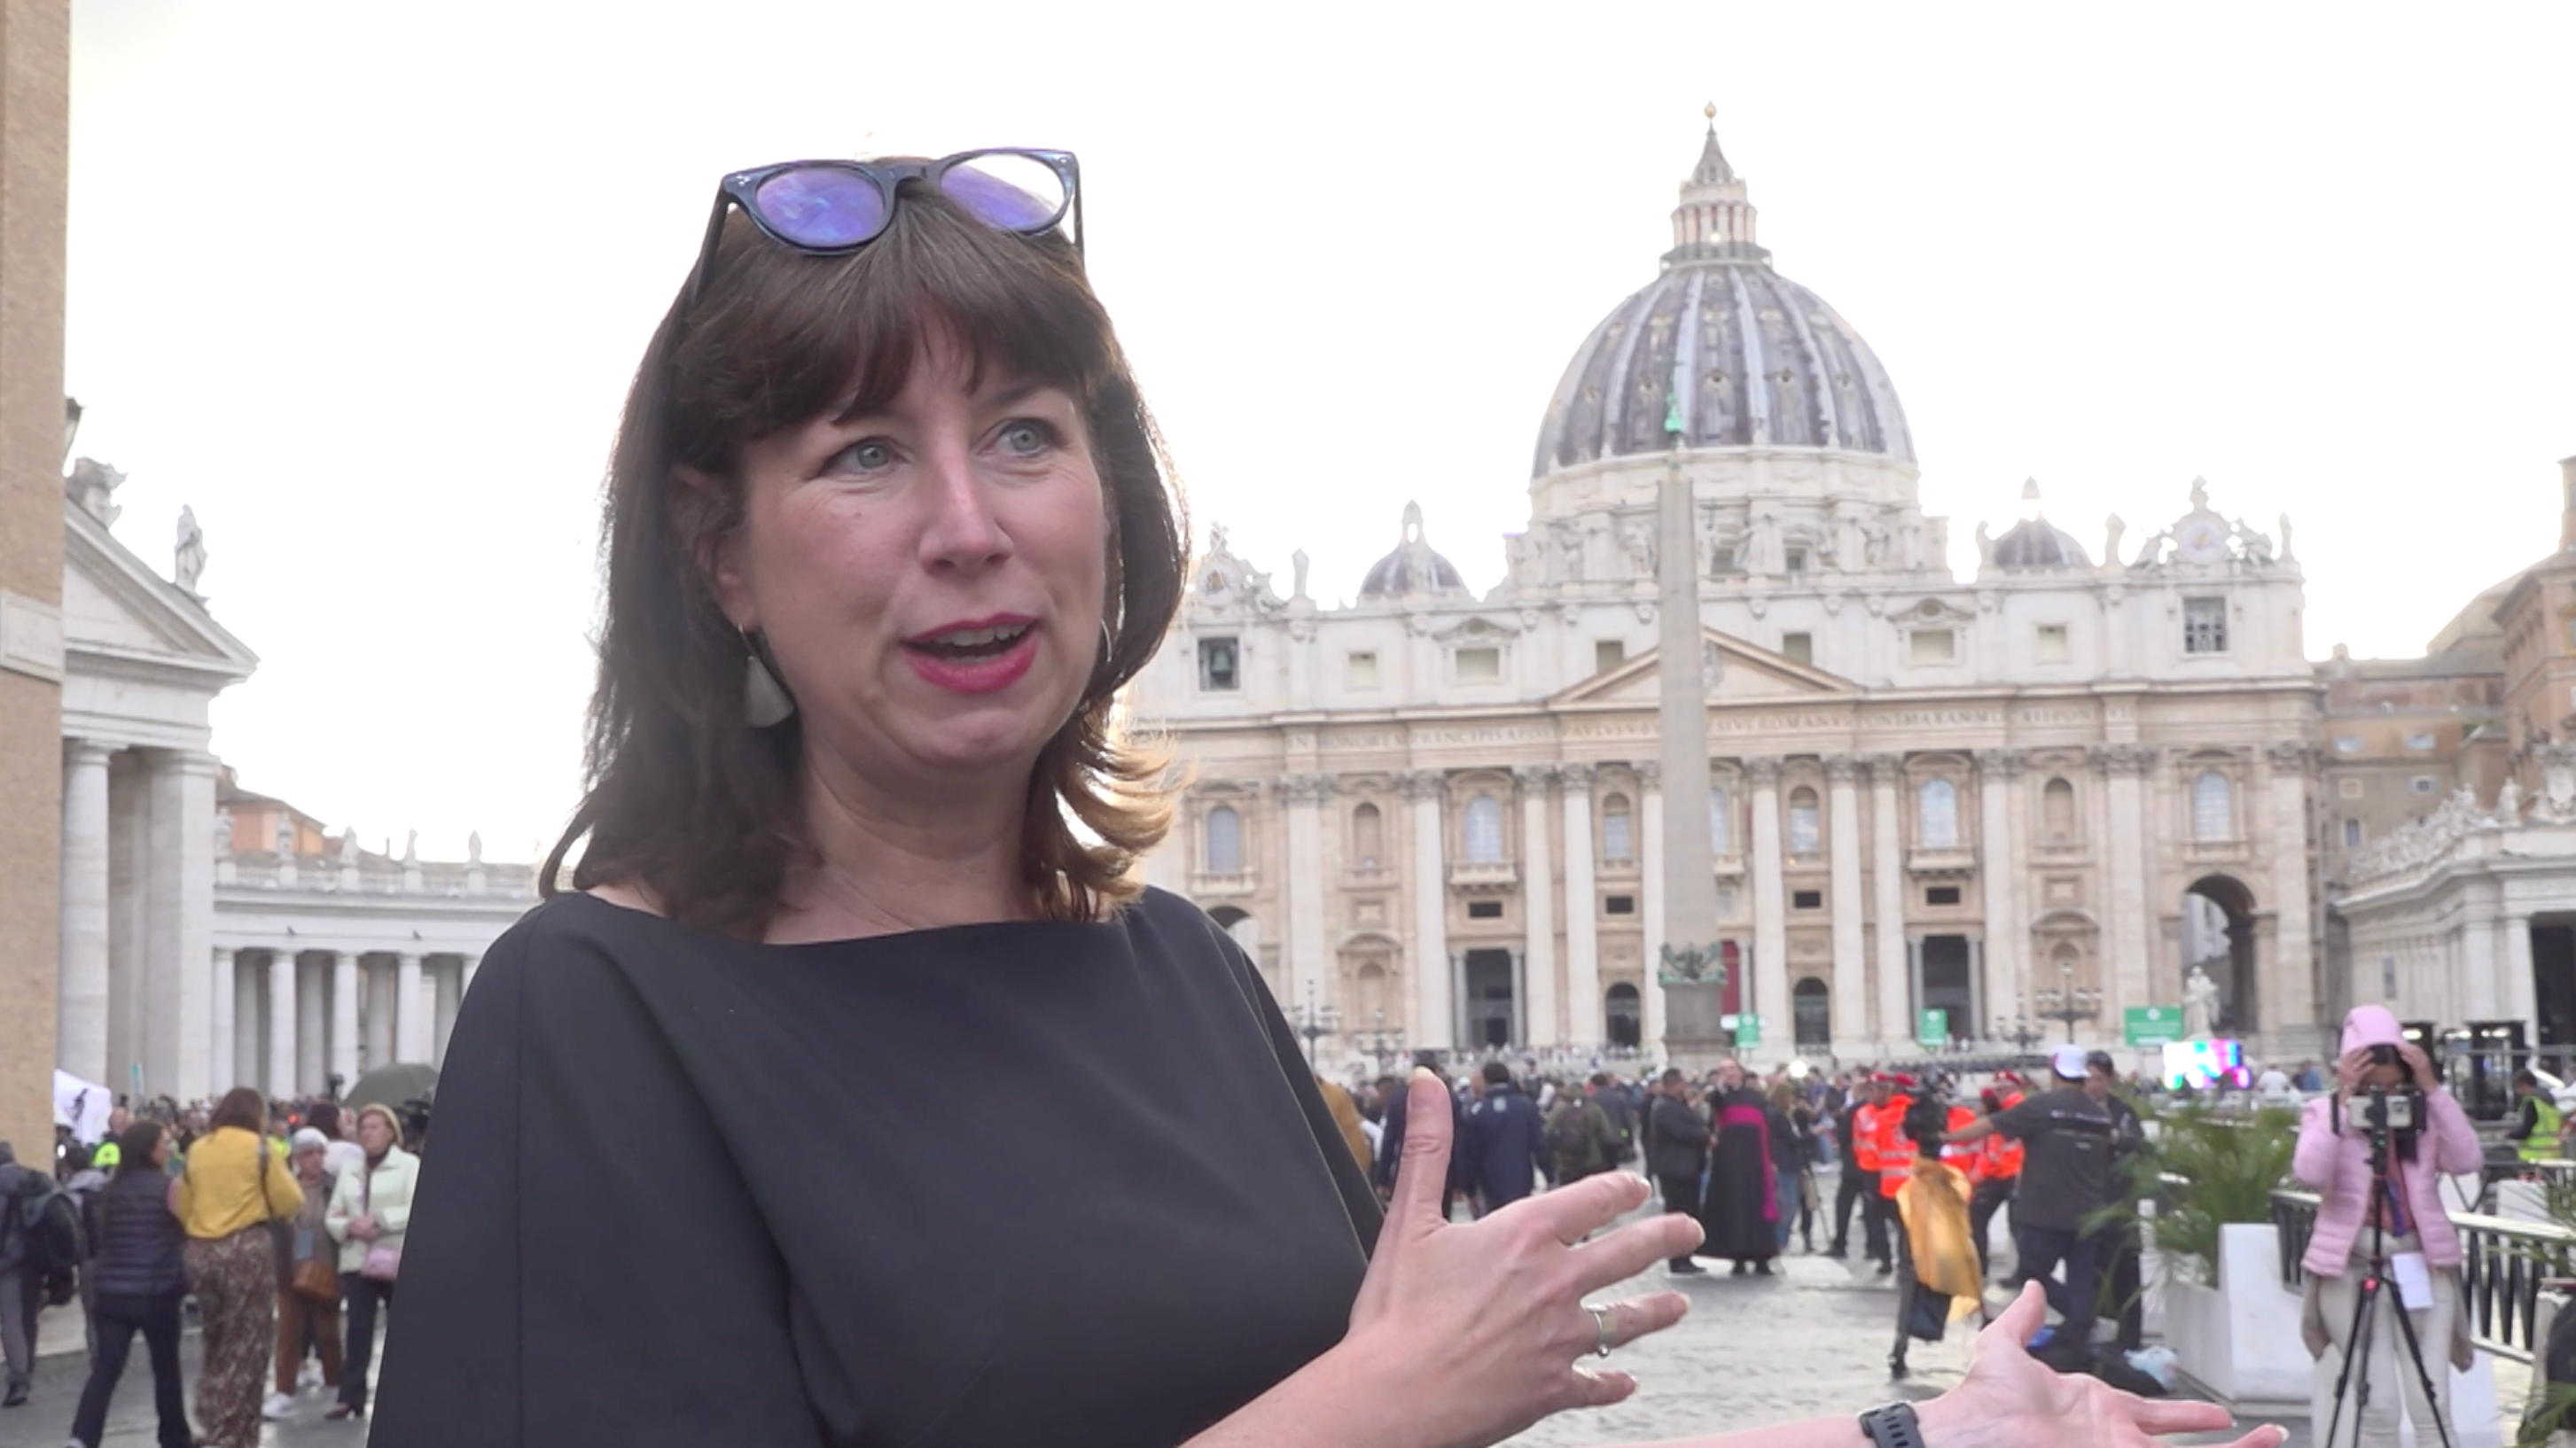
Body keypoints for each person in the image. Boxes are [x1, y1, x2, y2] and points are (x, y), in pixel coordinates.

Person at [363, 144, 2288, 1448]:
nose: (969, 528)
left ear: (1110, 510)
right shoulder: (598, 1016)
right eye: (865, 453)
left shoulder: (1182, 976)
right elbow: (1372, 1419)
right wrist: (1385, 1400)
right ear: (716, 553)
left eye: (1026, 436)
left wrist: (1904, 1434)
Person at [2293, 1007, 2481, 1448]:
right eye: (2372, 1089)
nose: (2384, 1099)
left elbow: (2468, 1160)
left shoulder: (2425, 1113)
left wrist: (2431, 1090)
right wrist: (2343, 1106)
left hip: (2422, 1261)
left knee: (2431, 1402)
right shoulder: (2325, 1114)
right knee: (2378, 1407)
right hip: (2351, 1266)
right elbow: (2310, 1172)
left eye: (2395, 1086)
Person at [1948, 1047, 2114, 1369]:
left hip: (2044, 1213)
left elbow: (1988, 1126)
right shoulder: (2099, 1115)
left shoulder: (2042, 1107)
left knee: (2032, 1275)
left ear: (2055, 1072)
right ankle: (2079, 1325)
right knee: (2081, 1277)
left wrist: (1946, 1135)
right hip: (2088, 1213)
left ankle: (2080, 1323)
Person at [174, 1086, 303, 1448]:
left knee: (216, 1340)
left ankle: (211, 1418)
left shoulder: (198, 1149)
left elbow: (184, 1205)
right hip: (245, 1250)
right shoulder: (259, 1149)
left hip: (201, 1252)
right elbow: (289, 1200)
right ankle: (233, 1433)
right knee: (248, 1346)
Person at [67, 1120, 192, 1448]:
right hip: (158, 1291)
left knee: (105, 1370)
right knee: (166, 1369)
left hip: (111, 1292)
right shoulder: (171, 1188)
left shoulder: (109, 1191)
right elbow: (188, 1231)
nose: (169, 1149)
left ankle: (82, 1437)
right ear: (151, 1150)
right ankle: (174, 1437)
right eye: (165, 1143)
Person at [324, 1103, 416, 1421]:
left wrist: (381, 1220)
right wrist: (351, 1226)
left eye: (375, 1127)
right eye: (364, 1128)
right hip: (356, 1258)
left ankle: (404, 1394)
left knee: (401, 1331)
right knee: (357, 1330)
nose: (368, 1133)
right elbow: (333, 1213)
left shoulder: (408, 1166)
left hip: (394, 1258)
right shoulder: (351, 1169)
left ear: (391, 1131)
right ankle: (350, 1397)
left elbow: (416, 1205)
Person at [268, 1129, 344, 1420]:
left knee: (328, 1332)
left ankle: (336, 1383)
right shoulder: (285, 1187)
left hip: (326, 1266)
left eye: (319, 1153)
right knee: (288, 1333)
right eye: (308, 1154)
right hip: (290, 1268)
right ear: (297, 1158)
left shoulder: (334, 1185)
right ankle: (284, 1391)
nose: (315, 1160)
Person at [2088, 1051, 2150, 1358]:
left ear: (2109, 1080)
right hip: (2087, 1204)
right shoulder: (2076, 1111)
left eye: (2097, 1078)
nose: (2091, 1085)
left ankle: (2130, 1337)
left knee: (2126, 1270)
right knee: (2091, 1274)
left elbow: (2142, 1147)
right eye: (2087, 1078)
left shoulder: (2122, 1112)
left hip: (2120, 1203)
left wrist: (2117, 1139)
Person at [1700, 1060, 1780, 1276]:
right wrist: (1719, 1086)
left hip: (1756, 1161)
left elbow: (1767, 1129)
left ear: (1741, 1072)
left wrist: (1772, 1159)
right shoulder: (1720, 1098)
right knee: (1735, 1208)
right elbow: (1713, 1105)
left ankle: (1762, 1257)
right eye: (1723, 1070)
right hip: (1731, 1164)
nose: (1729, 1074)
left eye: (1732, 1069)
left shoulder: (1756, 1098)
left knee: (1758, 1206)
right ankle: (1739, 1258)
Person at [1643, 1067, 1713, 1275]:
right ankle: (1678, 1258)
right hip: (1676, 1168)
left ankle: (1685, 1256)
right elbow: (1683, 1132)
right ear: (1674, 1085)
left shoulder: (1673, 1104)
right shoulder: (1665, 1107)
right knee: (1678, 1213)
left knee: (1687, 1211)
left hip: (1684, 1167)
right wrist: (1706, 1137)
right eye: (1682, 1083)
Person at [1464, 1063, 1550, 1215]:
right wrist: (1549, 1176)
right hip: (1522, 1178)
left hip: (1490, 1182)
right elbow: (1539, 1145)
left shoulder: (1478, 1110)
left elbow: (1471, 1154)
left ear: (1485, 1080)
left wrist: (1470, 1190)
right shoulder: (1526, 1106)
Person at [1831, 1074, 1895, 1267]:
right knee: (1870, 1212)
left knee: (1858, 1209)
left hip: (1860, 1167)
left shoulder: (1857, 1111)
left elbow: (1843, 1136)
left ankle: (1843, 1243)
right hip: (1872, 1169)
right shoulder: (1883, 1111)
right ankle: (1872, 1248)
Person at [0, 1141, 46, 1409]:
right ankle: (24, 1371)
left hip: (7, 1263)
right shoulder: (32, 1178)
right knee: (24, 1319)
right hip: (34, 1261)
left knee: (11, 1321)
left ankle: (19, 1378)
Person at [1970, 1084, 2026, 1281]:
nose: (1998, 1093)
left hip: (2015, 1175)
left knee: (2017, 1226)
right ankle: (1979, 1267)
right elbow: (1991, 1154)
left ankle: (2023, 1273)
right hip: (1998, 1175)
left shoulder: (2017, 1111)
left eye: (2002, 1089)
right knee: (1976, 1216)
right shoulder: (1998, 1116)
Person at [1768, 1079, 1819, 1254]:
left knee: (1793, 1203)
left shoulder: (1786, 1115)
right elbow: (1793, 1140)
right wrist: (1812, 1134)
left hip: (1791, 1163)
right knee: (1788, 1204)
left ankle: (1782, 1239)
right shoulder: (1778, 1117)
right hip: (1785, 1164)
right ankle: (1779, 1240)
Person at [1544, 1078, 1620, 1186]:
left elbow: (1547, 1132)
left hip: (1566, 1163)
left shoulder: (1560, 1109)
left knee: (1570, 1196)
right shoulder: (1594, 1108)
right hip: (1592, 1162)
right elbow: (1606, 1135)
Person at [2510, 1070, 2563, 1164]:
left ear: (2524, 1085)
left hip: (2534, 1154)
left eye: (2517, 1087)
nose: (2517, 1091)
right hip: (2552, 1152)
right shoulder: (2549, 1102)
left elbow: (2525, 1131)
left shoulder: (2532, 1103)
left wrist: (2508, 1135)